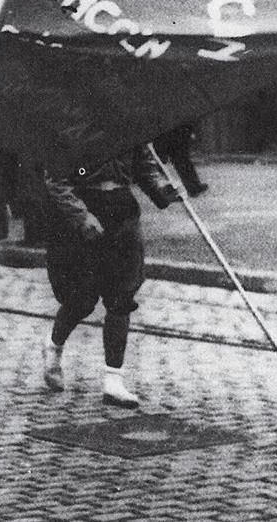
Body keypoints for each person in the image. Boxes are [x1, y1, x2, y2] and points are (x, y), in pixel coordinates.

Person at [40, 146, 178, 406]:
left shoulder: (130, 125)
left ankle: (113, 380)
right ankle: (53, 345)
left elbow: (143, 168)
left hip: (122, 212)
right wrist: (82, 216)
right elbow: (57, 179)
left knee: (122, 296)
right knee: (82, 299)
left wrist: (163, 191)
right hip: (86, 209)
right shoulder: (74, 129)